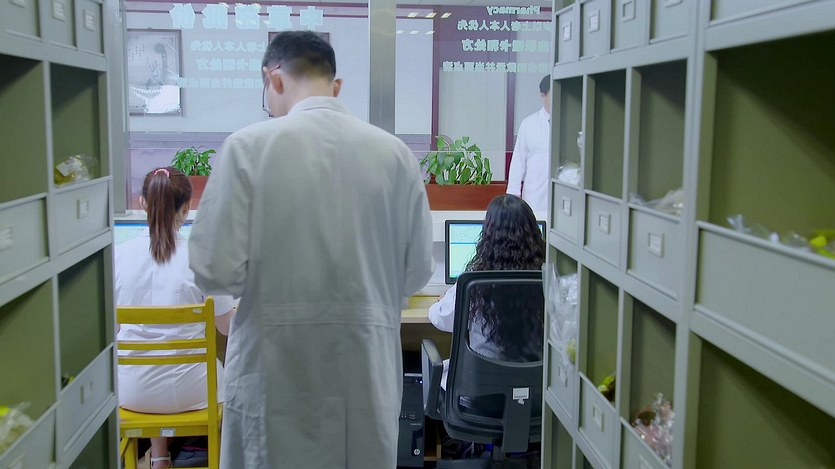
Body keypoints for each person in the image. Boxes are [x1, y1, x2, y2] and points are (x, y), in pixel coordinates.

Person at [187, 31, 434, 469]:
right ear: (336, 86)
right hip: (364, 372)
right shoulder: (395, 156)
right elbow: (416, 272)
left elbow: (212, 270)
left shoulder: (247, 149)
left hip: (274, 373)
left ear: (273, 79)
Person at [115, 167, 236, 469]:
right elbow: (226, 328)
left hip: (132, 392)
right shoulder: (203, 258)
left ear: (143, 203)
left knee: (154, 357)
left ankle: (159, 457)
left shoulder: (117, 256)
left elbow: (112, 330)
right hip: (194, 392)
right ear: (187, 208)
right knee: (227, 371)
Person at [429, 194, 546, 386]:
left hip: (481, 393)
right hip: (534, 392)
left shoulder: (474, 282)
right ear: (533, 233)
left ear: (488, 234)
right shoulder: (547, 280)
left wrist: (443, 302)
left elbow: (439, 319)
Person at [506, 75, 551, 212]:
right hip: (535, 195)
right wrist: (513, 194)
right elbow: (518, 161)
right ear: (542, 95)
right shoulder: (529, 124)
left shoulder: (572, 121)